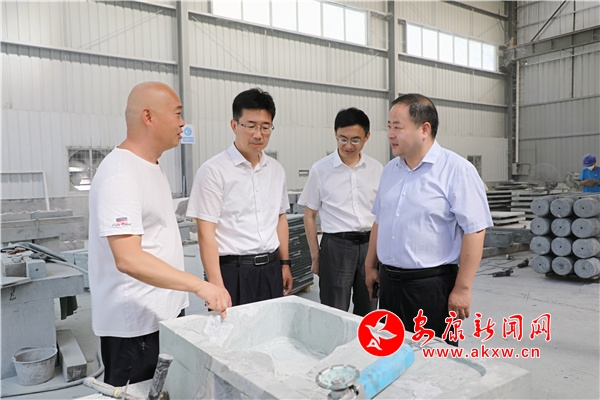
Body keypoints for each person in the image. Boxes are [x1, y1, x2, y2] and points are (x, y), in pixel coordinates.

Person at [88, 82, 231, 386]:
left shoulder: (149, 165)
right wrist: (200, 286)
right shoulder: (120, 175)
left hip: (162, 314)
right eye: (177, 114)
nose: (183, 123)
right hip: (135, 329)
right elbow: (128, 259)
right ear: (148, 117)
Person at [364, 93, 492, 346]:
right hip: (389, 286)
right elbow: (380, 219)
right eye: (389, 127)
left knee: (434, 361)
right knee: (392, 354)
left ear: (424, 129)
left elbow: (475, 230)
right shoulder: (390, 170)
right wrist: (370, 265)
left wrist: (463, 288)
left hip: (432, 288)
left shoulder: (457, 170)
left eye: (397, 127)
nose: (390, 134)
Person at [186, 88, 293, 306]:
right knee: (233, 328)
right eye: (250, 126)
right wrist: (216, 284)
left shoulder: (276, 170)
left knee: (271, 326)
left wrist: (285, 264)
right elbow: (206, 233)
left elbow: (280, 218)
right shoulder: (213, 171)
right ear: (234, 125)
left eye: (265, 127)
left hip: (271, 269)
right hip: (233, 272)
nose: (258, 134)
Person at [297, 107, 382, 316]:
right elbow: (309, 215)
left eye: (355, 140)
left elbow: (383, 214)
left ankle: (363, 340)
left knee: (368, 310)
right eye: (342, 139)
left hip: (370, 246)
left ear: (367, 137)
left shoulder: (377, 169)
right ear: (335, 134)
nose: (348, 145)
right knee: (334, 311)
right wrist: (315, 256)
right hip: (336, 247)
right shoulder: (320, 170)